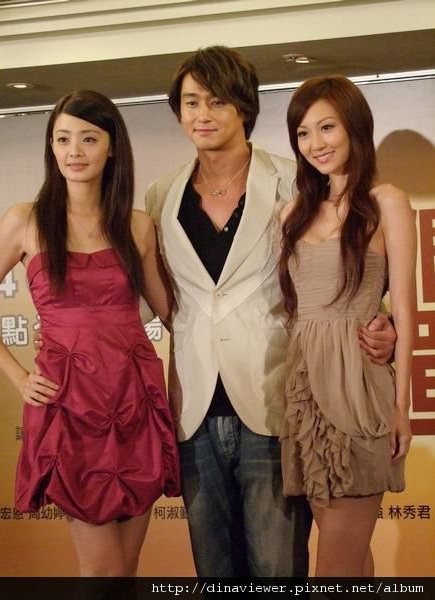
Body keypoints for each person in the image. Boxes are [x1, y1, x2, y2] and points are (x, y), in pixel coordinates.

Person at [145, 46, 397, 577]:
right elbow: (168, 298)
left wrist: (385, 324)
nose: (202, 114)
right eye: (191, 102)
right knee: (214, 569)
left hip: (277, 398)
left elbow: (348, 270)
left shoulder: (297, 184)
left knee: (279, 568)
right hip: (193, 404)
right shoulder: (160, 196)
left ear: (244, 107)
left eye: (217, 101)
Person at [0, 90, 180, 576]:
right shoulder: (25, 220)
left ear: (112, 148)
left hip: (134, 398)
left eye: (89, 139)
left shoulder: (137, 226)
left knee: (125, 571)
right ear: (51, 147)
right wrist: (19, 377)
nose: (74, 151)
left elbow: (175, 314)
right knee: (103, 571)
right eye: (62, 139)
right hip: (70, 403)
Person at [279, 75, 415, 576]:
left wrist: (401, 406)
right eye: (303, 133)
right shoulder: (292, 213)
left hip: (359, 386)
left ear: (355, 127)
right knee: (354, 560)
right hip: (305, 391)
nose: (315, 143)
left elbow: (405, 307)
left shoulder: (386, 201)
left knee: (333, 570)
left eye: (327, 127)